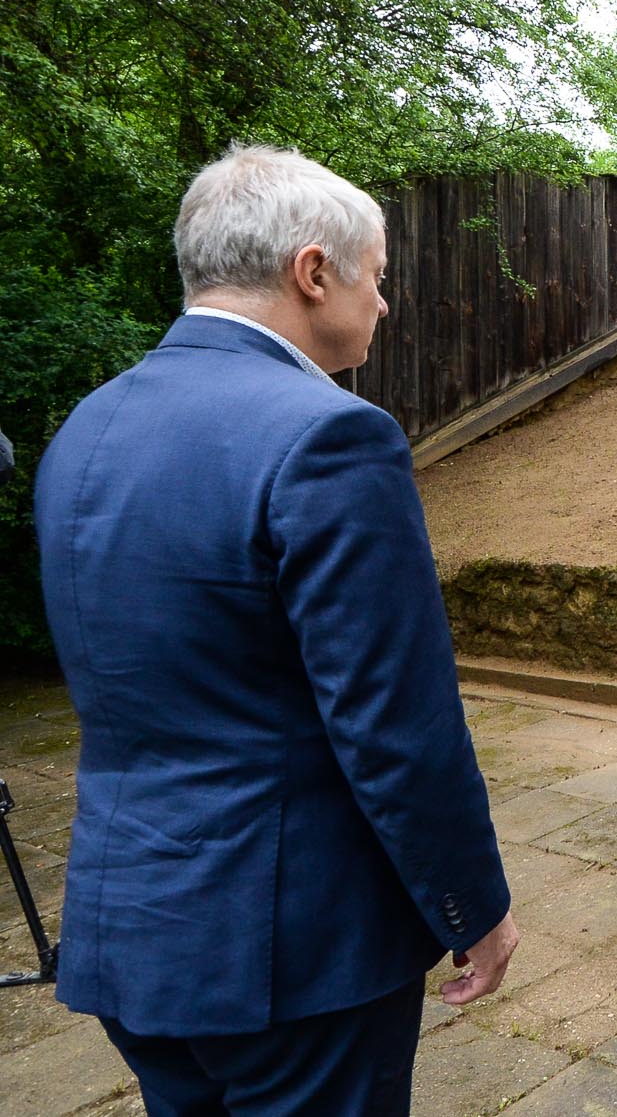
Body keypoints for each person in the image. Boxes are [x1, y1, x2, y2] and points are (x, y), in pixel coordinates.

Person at [35, 145, 517, 1111]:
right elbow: (396, 722)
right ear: (313, 272)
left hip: (130, 927)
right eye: (377, 279)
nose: (383, 305)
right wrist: (474, 905)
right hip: (296, 956)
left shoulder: (84, 426)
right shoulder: (331, 434)